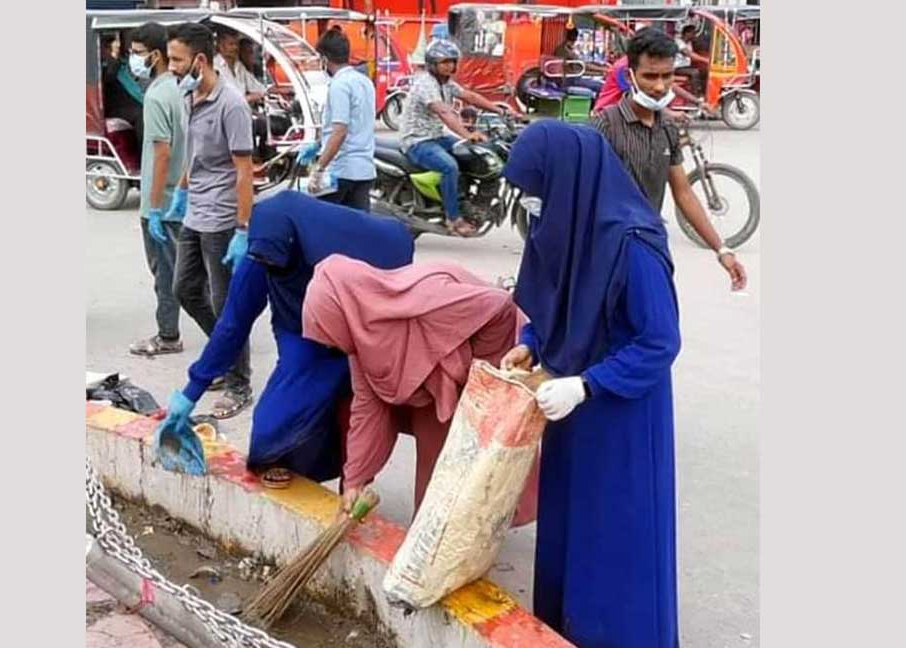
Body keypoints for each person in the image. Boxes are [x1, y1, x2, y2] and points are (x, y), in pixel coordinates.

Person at [500, 120, 682, 648]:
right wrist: (532, 342)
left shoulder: (632, 243)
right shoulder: (565, 229)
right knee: (569, 533)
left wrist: (588, 385)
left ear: (568, 182)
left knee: (615, 539)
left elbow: (659, 342)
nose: (535, 207)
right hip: (569, 413)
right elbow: (554, 299)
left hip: (620, 416)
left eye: (540, 193)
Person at [158, 191, 414, 484]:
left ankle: (353, 485)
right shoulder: (268, 246)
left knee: (358, 415)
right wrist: (191, 392)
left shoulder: (380, 244)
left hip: (368, 332)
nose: (270, 265)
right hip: (303, 334)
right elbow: (232, 325)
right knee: (273, 430)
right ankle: (290, 462)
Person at [301, 254, 539, 522]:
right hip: (440, 388)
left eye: (331, 332)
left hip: (496, 365)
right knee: (437, 474)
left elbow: (500, 308)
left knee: (483, 467)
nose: (333, 345)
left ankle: (474, 531)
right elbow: (368, 411)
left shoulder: (427, 298)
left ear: (344, 312)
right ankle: (437, 537)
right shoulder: (363, 341)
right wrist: (355, 481)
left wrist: (476, 376)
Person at [592, 28, 747, 291]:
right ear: (630, 76)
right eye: (650, 76)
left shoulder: (667, 127)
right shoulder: (605, 125)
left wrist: (721, 249)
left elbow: (683, 193)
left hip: (651, 245)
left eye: (667, 76)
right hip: (606, 252)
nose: (660, 86)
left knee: (660, 327)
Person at [166, 23, 256, 419]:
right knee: (184, 289)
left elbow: (243, 171)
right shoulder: (190, 97)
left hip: (222, 218)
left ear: (199, 61)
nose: (171, 67)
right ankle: (220, 356)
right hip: (195, 212)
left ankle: (239, 384)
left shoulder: (232, 105)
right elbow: (195, 154)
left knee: (227, 306)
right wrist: (180, 193)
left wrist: (242, 228)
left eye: (176, 60)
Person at [399, 39, 510, 236]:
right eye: (445, 62)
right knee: (449, 166)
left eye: (452, 61)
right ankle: (453, 218)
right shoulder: (426, 83)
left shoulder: (447, 84)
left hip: (436, 137)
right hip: (417, 141)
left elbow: (470, 97)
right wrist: (468, 134)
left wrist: (500, 110)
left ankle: (465, 199)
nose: (450, 66)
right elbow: (444, 112)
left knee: (474, 153)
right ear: (433, 63)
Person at [128, 23, 188, 358]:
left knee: (165, 272)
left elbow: (162, 152)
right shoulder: (179, 89)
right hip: (179, 196)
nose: (132, 59)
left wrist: (152, 206)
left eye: (136, 53)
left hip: (162, 202)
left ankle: (168, 336)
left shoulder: (155, 96)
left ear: (154, 55)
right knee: (183, 269)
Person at [308, 28, 377, 211]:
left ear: (324, 59)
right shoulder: (364, 82)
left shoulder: (339, 85)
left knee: (328, 229)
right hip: (364, 170)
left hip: (342, 171)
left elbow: (340, 130)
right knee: (358, 231)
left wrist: (319, 168)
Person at [101, 33, 145, 147]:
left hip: (132, 101)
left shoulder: (122, 62)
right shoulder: (104, 65)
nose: (118, 44)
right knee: (142, 115)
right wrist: (112, 60)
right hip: (116, 106)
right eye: (113, 41)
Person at [214, 28, 266, 106]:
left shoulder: (239, 65)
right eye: (231, 44)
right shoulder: (214, 67)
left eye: (236, 44)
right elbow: (222, 101)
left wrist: (270, 91)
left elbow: (255, 86)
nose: (235, 47)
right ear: (220, 46)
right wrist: (249, 98)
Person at [674, 23, 709, 98]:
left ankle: (704, 92)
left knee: (704, 70)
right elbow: (689, 54)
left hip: (686, 66)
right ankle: (695, 96)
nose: (695, 35)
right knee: (694, 72)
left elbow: (700, 48)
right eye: (693, 33)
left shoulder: (690, 42)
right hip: (677, 68)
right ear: (687, 33)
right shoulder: (678, 42)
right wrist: (705, 60)